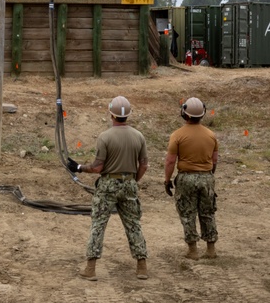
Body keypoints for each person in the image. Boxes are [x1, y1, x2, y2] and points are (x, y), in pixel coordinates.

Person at [67, 96, 149, 281]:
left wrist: (79, 167)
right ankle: (141, 266)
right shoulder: (139, 136)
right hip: (129, 183)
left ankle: (91, 268)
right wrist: (133, 180)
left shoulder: (105, 137)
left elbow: (97, 167)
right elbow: (143, 164)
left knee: (98, 224)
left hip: (108, 185)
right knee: (133, 224)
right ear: (128, 114)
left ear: (111, 113)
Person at [163, 97, 219, 260]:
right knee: (207, 212)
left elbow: (170, 161)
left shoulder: (177, 135)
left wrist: (167, 180)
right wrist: (209, 175)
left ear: (184, 114)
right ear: (203, 113)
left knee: (188, 213)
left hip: (186, 178)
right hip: (206, 177)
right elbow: (214, 160)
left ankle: (193, 250)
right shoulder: (211, 135)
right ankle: (210, 249)